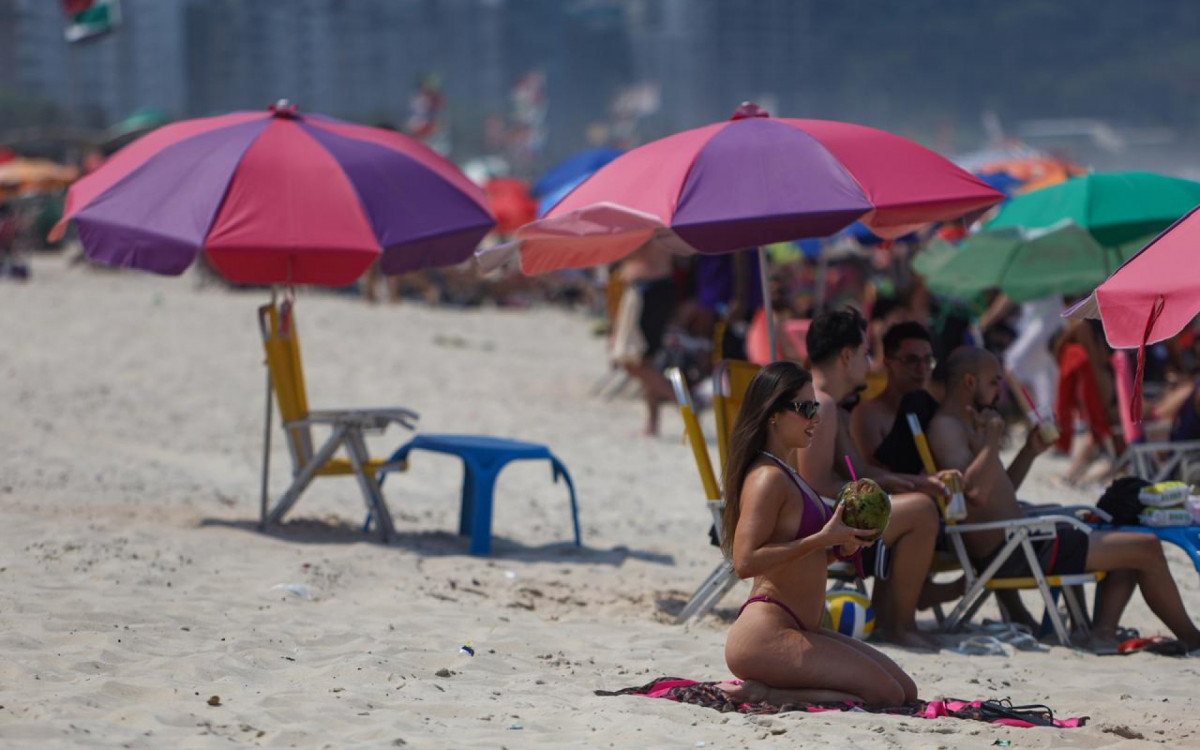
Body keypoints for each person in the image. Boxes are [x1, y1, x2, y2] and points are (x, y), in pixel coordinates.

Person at [927, 347, 1200, 653]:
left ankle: (1101, 633)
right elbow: (973, 495)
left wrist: (1029, 450)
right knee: (1145, 546)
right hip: (1011, 550)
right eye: (994, 382)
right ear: (969, 382)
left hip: (1020, 539)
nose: (998, 390)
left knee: (1126, 534)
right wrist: (991, 442)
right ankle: (1191, 638)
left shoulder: (966, 424)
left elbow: (999, 489)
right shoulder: (946, 427)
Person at [720, 362, 918, 708]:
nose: (816, 417)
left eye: (816, 407)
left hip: (799, 627)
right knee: (887, 696)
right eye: (806, 408)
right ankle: (767, 693)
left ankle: (778, 690)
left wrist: (839, 546)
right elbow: (744, 561)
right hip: (766, 632)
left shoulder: (788, 472)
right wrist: (821, 539)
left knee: (905, 691)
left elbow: (801, 555)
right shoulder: (766, 477)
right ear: (773, 415)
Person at [796, 307, 947, 650]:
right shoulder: (820, 405)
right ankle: (898, 623)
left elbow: (858, 469)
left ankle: (890, 615)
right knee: (921, 513)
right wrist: (883, 492)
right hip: (812, 524)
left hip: (815, 513)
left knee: (917, 500)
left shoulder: (823, 401)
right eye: (866, 353)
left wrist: (909, 480)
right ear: (846, 356)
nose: (870, 363)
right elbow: (814, 485)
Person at [610, 242, 677, 435]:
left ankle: (683, 402)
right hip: (650, 288)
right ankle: (652, 422)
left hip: (648, 289)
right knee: (646, 362)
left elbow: (626, 249)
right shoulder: (655, 222)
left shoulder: (644, 221)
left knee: (631, 362)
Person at [850, 321, 938, 462]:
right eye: (911, 360)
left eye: (927, 360)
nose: (922, 370)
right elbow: (875, 474)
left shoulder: (935, 411)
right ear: (888, 363)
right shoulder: (868, 415)